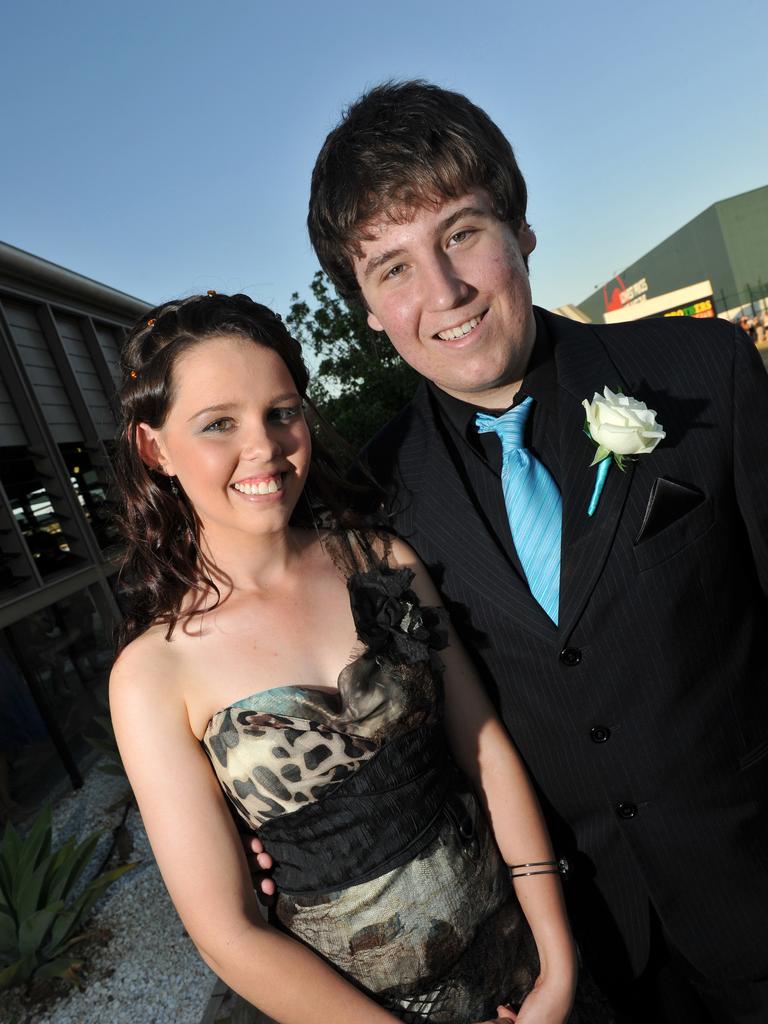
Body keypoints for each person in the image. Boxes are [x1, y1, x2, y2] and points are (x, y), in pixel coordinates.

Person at [290, 81, 768, 1024]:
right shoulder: (375, 498)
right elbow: (402, 726)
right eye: (393, 269)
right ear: (367, 308)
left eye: (461, 234)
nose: (445, 294)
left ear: (521, 229)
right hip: (576, 964)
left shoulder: (704, 375)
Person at [108, 292, 579, 1024]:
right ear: (154, 448)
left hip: (520, 969)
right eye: (219, 424)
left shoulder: (382, 561)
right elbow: (228, 931)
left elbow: (483, 748)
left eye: (282, 411)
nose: (264, 447)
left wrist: (557, 962)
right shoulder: (151, 675)